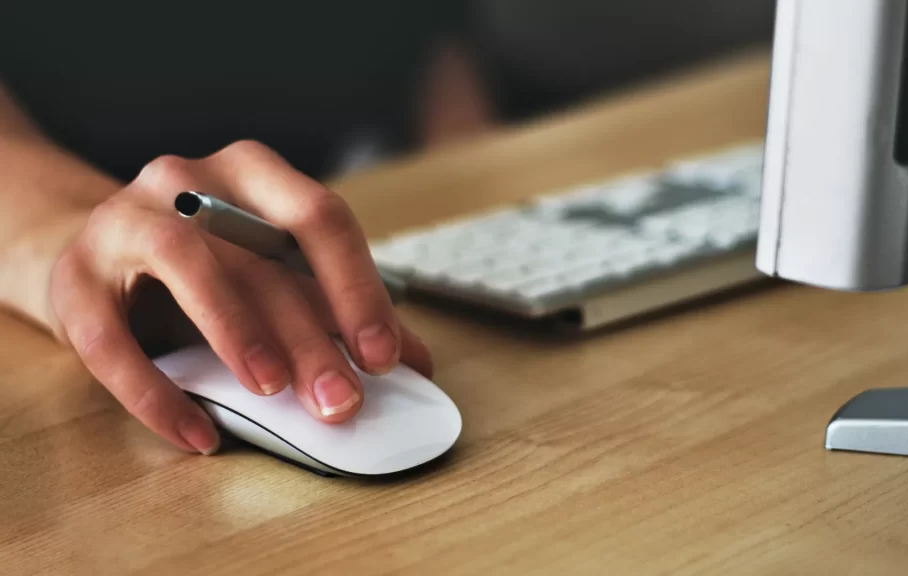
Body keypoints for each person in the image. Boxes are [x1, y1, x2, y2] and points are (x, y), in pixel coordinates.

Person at [0, 1, 774, 458]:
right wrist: (69, 235)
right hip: (110, 225)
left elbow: (426, 42)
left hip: (342, 233)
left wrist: (492, 214)